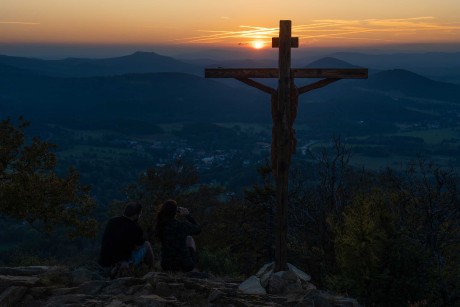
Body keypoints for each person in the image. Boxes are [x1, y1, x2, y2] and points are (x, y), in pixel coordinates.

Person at [99, 201, 154, 278]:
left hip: (104, 263)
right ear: (136, 215)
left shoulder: (111, 221)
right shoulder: (135, 228)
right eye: (140, 214)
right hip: (122, 262)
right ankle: (150, 272)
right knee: (147, 244)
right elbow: (140, 243)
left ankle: (115, 269)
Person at [155, 199, 201, 272]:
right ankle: (194, 268)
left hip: (166, 265)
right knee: (189, 238)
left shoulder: (160, 226)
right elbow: (198, 229)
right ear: (176, 212)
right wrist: (187, 215)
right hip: (185, 265)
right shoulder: (182, 226)